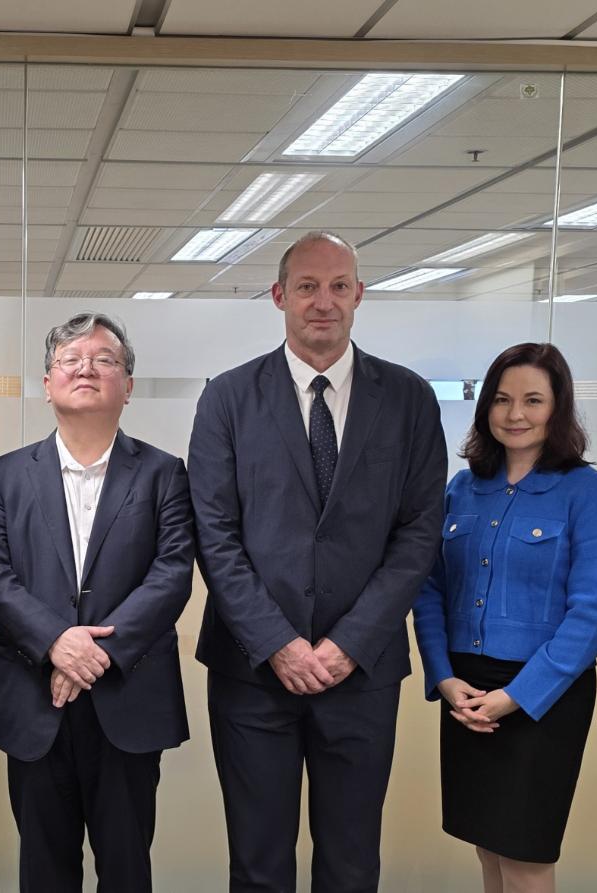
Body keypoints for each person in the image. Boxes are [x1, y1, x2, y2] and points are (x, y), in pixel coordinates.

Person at [188, 231, 446, 892]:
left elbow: (417, 534)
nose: (322, 301)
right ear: (279, 296)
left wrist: (345, 645)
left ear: (359, 295)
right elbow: (214, 533)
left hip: (359, 674)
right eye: (306, 286)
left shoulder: (409, 399)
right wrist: (278, 643)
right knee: (256, 862)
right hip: (252, 671)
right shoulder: (227, 397)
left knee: (352, 861)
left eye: (337, 286)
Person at [0, 313, 195, 892]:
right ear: (47, 383)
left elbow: (171, 575)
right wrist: (56, 642)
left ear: (128, 385)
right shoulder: (4, 476)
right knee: (43, 871)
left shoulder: (164, 475)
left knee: (126, 869)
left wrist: (91, 655)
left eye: (104, 360)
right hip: (32, 699)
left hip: (129, 697)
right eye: (70, 360)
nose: (86, 369)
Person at [411, 342, 597, 892]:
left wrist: (518, 695)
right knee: (486, 846)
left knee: (525, 856)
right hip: (465, 689)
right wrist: (443, 677)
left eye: (533, 400)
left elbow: (594, 613)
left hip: (541, 697)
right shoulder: (463, 488)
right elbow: (429, 588)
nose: (515, 414)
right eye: (502, 400)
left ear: (558, 408)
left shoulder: (587, 492)